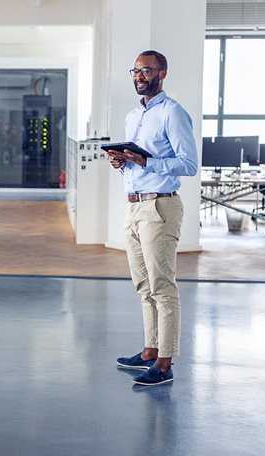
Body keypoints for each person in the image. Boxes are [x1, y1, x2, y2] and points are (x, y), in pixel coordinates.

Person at [109, 50, 198, 386]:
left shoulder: (172, 113)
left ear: (163, 73)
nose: (139, 76)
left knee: (162, 287)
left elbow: (189, 164)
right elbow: (136, 160)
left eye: (146, 70)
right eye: (135, 70)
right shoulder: (134, 116)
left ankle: (165, 361)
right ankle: (149, 350)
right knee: (144, 286)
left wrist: (146, 163)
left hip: (160, 208)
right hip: (134, 206)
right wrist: (123, 162)